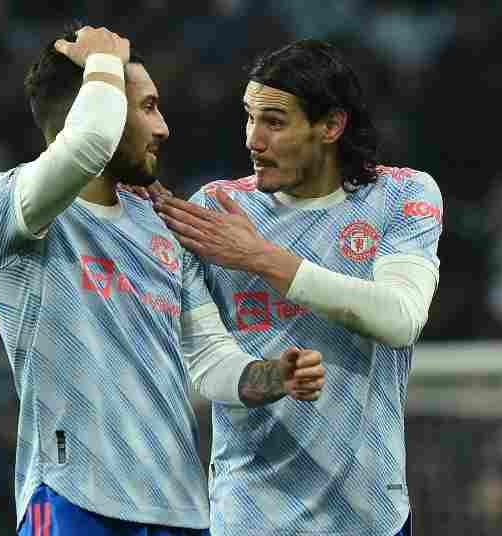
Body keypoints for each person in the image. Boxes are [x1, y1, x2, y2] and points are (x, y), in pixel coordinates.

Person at [0, 26, 326, 536]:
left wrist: (273, 377)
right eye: (148, 107)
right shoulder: (7, 208)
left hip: (180, 511)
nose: (164, 128)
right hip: (75, 498)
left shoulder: (158, 223)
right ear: (98, 103)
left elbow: (209, 357)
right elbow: (89, 142)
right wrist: (104, 62)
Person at [153, 39, 443, 536]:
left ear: (330, 126)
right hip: (251, 512)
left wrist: (263, 259)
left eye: (274, 121)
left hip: (369, 513)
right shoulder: (216, 211)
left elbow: (400, 318)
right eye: (249, 117)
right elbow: (205, 366)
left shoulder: (402, 194)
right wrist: (273, 377)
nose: (252, 140)